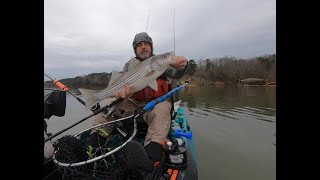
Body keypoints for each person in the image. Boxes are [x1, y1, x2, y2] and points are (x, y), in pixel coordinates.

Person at [94, 32, 188, 165]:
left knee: (163, 109)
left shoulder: (161, 64)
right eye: (139, 45)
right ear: (135, 49)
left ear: (151, 47)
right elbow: (121, 88)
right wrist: (120, 96)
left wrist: (183, 65)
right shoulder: (129, 65)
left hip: (155, 104)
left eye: (146, 44)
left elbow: (176, 74)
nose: (143, 47)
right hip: (133, 103)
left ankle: (150, 153)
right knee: (110, 108)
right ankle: (95, 141)